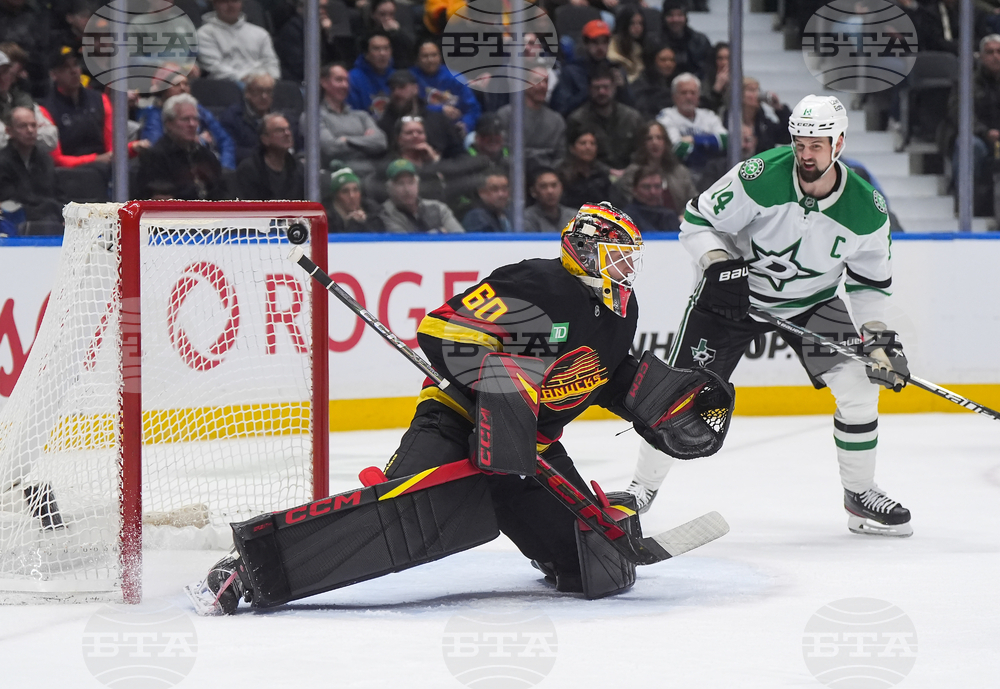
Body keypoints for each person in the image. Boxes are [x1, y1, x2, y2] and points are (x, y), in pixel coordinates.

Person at [196, 202, 731, 613]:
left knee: (596, 569)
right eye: (617, 255)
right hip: (459, 422)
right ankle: (249, 569)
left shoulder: (621, 308)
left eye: (630, 257)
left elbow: (602, 372)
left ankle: (549, 532)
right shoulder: (539, 284)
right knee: (396, 520)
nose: (626, 268)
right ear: (584, 249)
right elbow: (442, 331)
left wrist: (650, 396)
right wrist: (503, 389)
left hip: (531, 453)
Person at [624, 94, 914, 539]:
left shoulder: (865, 209)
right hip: (731, 300)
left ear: (838, 144)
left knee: (858, 388)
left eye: (817, 145)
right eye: (800, 143)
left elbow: (869, 285)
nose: (806, 154)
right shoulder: (760, 176)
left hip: (811, 304)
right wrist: (720, 265)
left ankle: (859, 495)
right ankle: (640, 490)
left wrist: (877, 339)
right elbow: (696, 221)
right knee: (677, 392)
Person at [40, 46, 150, 168]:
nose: (74, 71)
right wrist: (96, 159)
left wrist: (133, 147)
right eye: (66, 67)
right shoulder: (46, 110)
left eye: (75, 64)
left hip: (102, 171)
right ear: (54, 75)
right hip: (68, 176)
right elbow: (56, 160)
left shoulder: (100, 100)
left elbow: (112, 149)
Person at [137, 66, 236, 170]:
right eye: (176, 85)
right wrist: (199, 141)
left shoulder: (199, 110)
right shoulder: (154, 115)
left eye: (186, 84)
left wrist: (226, 168)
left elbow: (225, 141)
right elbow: (155, 148)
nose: (183, 88)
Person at [135, 93, 227, 200]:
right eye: (185, 119)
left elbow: (222, 192)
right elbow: (161, 197)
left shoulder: (206, 155)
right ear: (169, 123)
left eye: (195, 119)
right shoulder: (155, 156)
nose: (192, 124)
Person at [567, 66, 645, 172]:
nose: (601, 92)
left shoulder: (632, 117)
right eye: (597, 88)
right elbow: (574, 156)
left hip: (631, 175)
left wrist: (629, 172)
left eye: (606, 87)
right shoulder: (577, 120)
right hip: (593, 175)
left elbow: (641, 151)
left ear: (614, 88)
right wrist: (608, 171)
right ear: (589, 89)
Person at [313, 62, 387, 172]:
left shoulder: (361, 115)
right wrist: (366, 142)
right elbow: (330, 148)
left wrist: (346, 140)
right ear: (324, 82)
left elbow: (381, 142)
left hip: (370, 173)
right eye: (339, 80)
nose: (345, 85)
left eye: (347, 81)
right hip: (335, 175)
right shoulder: (314, 117)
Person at [550, 20, 633, 117]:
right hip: (579, 124)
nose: (600, 47)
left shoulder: (616, 69)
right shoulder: (571, 71)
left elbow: (632, 107)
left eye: (604, 42)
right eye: (595, 42)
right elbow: (560, 109)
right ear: (586, 43)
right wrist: (590, 92)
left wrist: (622, 89)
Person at [0, 106, 61, 232]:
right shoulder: (2, 161)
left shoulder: (45, 159)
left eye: (33, 125)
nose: (30, 130)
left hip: (48, 218)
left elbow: (54, 193)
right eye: (23, 126)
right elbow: (12, 199)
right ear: (9, 131)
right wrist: (48, 206)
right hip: (15, 221)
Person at [379, 70, 464, 159]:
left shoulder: (439, 120)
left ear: (415, 89)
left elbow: (460, 156)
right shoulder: (384, 126)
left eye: (402, 87)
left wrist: (437, 163)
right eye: (392, 89)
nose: (396, 93)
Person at [656, 72, 727, 180]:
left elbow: (726, 140)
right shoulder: (666, 117)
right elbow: (678, 149)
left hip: (711, 173)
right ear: (674, 96)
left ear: (698, 96)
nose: (689, 97)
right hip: (678, 173)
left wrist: (693, 139)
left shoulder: (709, 115)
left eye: (693, 93)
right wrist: (711, 147)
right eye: (684, 93)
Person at [617, 120, 697, 214]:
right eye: (649, 138)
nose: (655, 142)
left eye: (659, 138)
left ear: (666, 142)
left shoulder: (680, 171)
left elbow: (693, 201)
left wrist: (685, 216)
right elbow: (630, 206)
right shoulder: (633, 173)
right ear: (642, 143)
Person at [197, 0, 281, 82]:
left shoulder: (261, 33)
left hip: (263, 85)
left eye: (235, 1)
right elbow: (214, 68)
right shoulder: (204, 34)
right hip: (225, 87)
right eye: (224, 1)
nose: (230, 6)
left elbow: (271, 64)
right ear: (215, 4)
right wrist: (247, 79)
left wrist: (269, 79)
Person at [410, 39, 480, 138]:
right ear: (417, 59)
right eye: (425, 56)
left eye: (434, 55)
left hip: (454, 130)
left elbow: (472, 108)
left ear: (440, 57)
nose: (430, 60)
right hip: (421, 130)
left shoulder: (455, 79)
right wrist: (439, 109)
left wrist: (465, 124)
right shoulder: (411, 78)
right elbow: (409, 108)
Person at [495, 71, 565, 169]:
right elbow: (502, 151)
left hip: (546, 175)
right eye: (538, 81)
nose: (543, 86)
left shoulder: (557, 120)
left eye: (546, 82)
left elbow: (560, 156)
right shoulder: (506, 115)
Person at [378, 158, 463, 233]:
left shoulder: (438, 207)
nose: (407, 190)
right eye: (400, 184)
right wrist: (438, 232)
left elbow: (461, 240)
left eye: (411, 182)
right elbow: (405, 246)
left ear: (417, 184)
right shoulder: (386, 215)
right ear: (389, 188)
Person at [0, 46, 58, 153]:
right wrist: (32, 133)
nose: (2, 77)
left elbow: (51, 137)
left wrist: (14, 134)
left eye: (5, 72)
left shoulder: (22, 100)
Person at [234, 113, 304, 200]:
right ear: (265, 139)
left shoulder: (298, 168)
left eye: (288, 129)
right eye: (279, 130)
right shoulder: (249, 170)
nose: (287, 133)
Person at [558, 126, 623, 210]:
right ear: (572, 148)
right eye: (583, 143)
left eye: (592, 144)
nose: (588, 147)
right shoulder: (562, 174)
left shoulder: (602, 174)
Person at [660, 0, 712, 80]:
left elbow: (705, 72)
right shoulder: (654, 41)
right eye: (671, 15)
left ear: (686, 17)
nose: (675, 19)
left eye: (679, 15)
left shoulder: (700, 41)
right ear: (664, 17)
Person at [348, 31, 395, 118]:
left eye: (386, 48)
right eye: (376, 49)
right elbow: (353, 115)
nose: (382, 53)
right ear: (366, 54)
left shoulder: (396, 76)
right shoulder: (353, 78)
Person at [622, 167, 680, 232]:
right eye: (646, 187)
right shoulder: (627, 218)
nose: (653, 192)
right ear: (635, 189)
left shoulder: (670, 216)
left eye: (657, 186)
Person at [324, 166, 382, 232]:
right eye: (345, 191)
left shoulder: (373, 212)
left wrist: (364, 223)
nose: (352, 196)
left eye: (355, 190)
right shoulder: (327, 220)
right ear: (335, 196)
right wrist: (351, 225)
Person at [523, 166, 576, 232]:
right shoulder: (526, 218)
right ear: (533, 191)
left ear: (561, 188)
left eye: (554, 185)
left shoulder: (573, 217)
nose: (550, 191)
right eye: (543, 186)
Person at [632, 46, 679, 119]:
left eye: (672, 60)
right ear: (654, 61)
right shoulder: (642, 83)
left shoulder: (678, 81)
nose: (668, 64)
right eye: (663, 60)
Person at [607, 4, 646, 83]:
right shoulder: (613, 42)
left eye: (640, 23)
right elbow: (613, 58)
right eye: (632, 23)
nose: (637, 27)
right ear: (625, 24)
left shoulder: (637, 47)